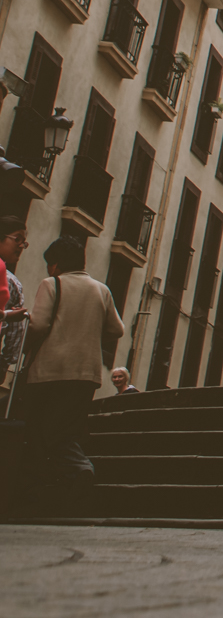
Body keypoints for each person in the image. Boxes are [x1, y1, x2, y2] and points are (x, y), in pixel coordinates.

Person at [21, 235, 124, 510]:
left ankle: (75, 470)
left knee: (41, 428)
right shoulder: (101, 289)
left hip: (50, 371)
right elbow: (117, 330)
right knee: (68, 427)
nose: (47, 270)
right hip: (86, 374)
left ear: (56, 264)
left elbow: (39, 325)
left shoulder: (52, 284)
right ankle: (67, 480)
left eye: (49, 264)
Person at [0, 217, 28, 408]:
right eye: (17, 238)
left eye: (23, 241)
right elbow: (15, 332)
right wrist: (6, 362)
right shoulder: (12, 283)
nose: (21, 245)